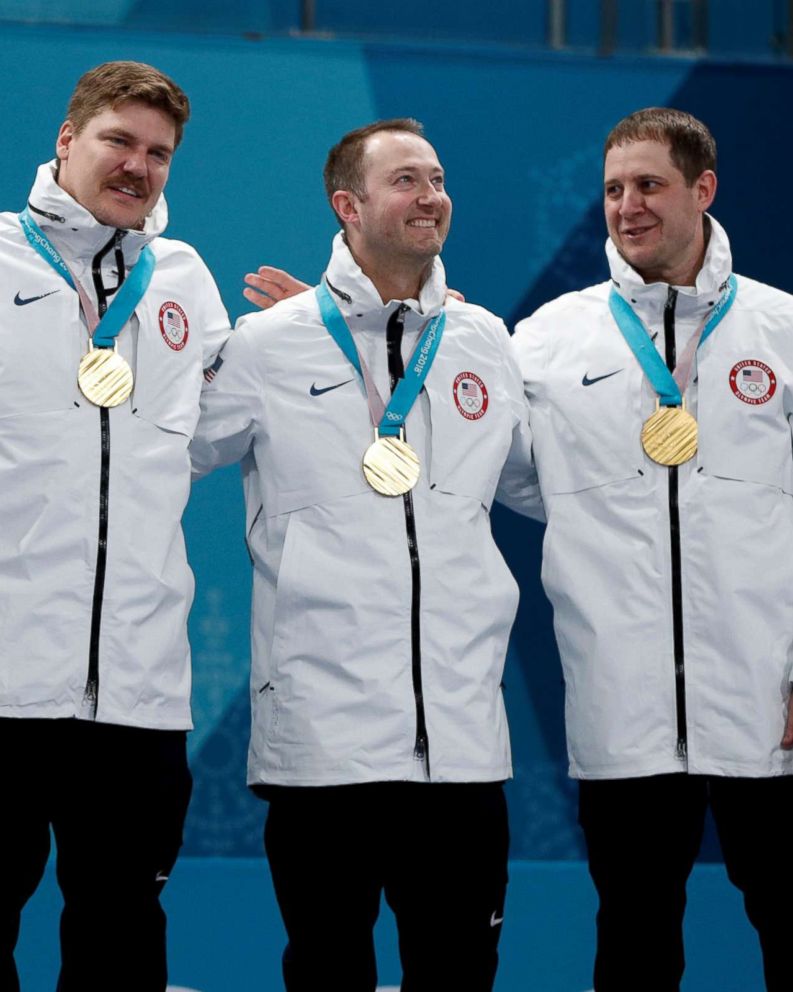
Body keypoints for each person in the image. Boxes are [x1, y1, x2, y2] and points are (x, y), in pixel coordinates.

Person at [190, 118, 539, 991]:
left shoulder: (484, 342)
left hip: (460, 747)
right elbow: (163, 448)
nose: (431, 196)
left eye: (437, 178)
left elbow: (542, 484)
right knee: (326, 973)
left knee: (459, 974)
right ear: (348, 207)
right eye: (406, 181)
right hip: (322, 746)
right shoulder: (269, 347)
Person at [506, 108, 793, 992]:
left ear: (702, 190)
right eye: (612, 189)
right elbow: (500, 464)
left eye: (648, 186)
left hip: (766, 692)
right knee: (632, 928)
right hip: (624, 698)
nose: (626, 207)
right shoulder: (550, 338)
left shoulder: (783, 330)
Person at [0, 61, 230, 991]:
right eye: (118, 142)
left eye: (158, 153)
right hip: (6, 684)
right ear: (66, 139)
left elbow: (251, 407)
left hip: (136, 694)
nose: (137, 166)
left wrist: (415, 334)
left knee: (123, 934)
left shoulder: (184, 281)